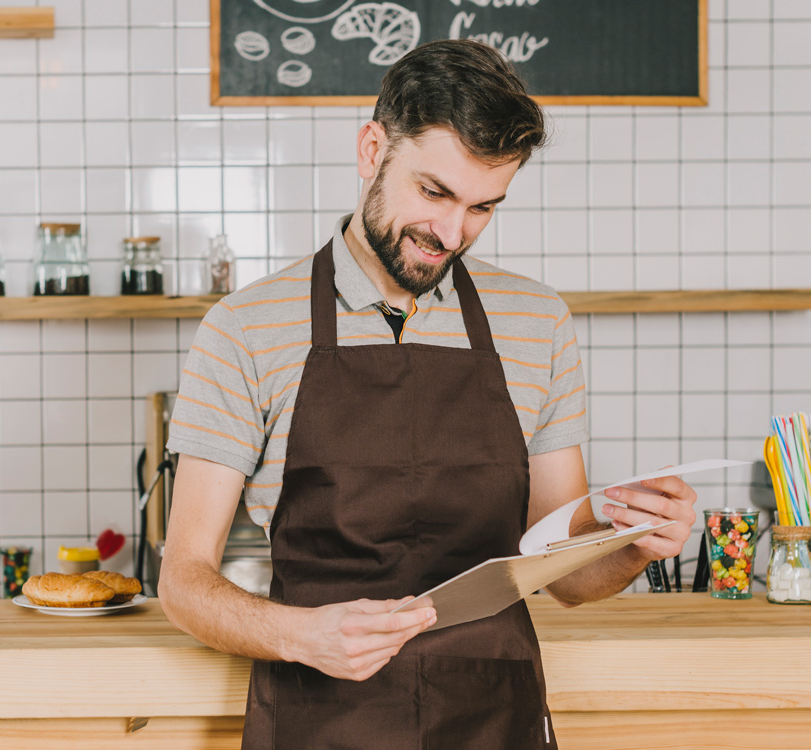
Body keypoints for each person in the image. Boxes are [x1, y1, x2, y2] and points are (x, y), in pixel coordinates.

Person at [159, 39, 698, 748]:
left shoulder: (537, 324)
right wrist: (302, 634)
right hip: (319, 718)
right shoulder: (246, 329)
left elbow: (564, 574)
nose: (450, 233)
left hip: (493, 718)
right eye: (434, 193)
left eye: (483, 207)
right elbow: (184, 579)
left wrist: (633, 545)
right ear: (372, 149)